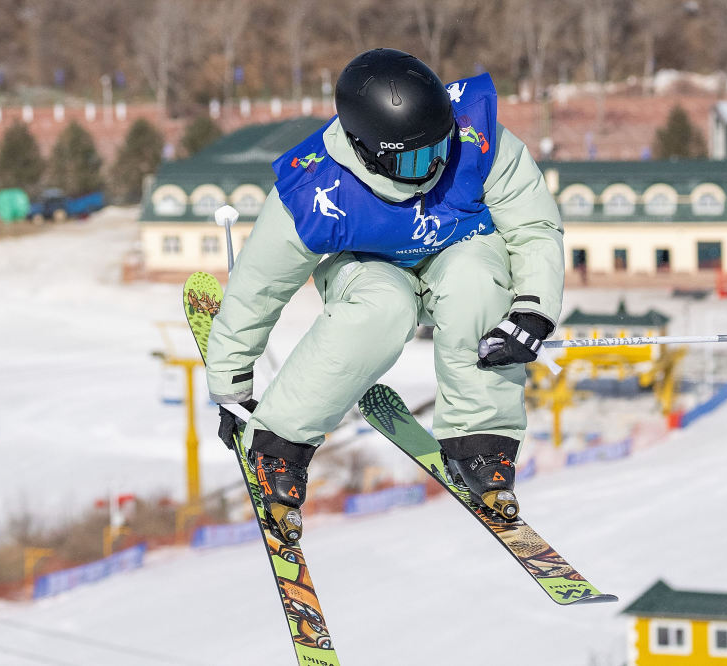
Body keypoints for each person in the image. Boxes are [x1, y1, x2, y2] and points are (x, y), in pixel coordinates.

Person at [207, 48, 564, 541]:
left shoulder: (477, 139)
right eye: (415, 158)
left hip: (458, 250)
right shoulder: (316, 189)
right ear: (366, 149)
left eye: (439, 147)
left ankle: (481, 439)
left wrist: (533, 309)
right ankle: (279, 443)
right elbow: (256, 288)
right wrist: (231, 383)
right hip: (368, 267)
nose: (434, 165)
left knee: (477, 284)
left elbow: (534, 227)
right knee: (381, 309)